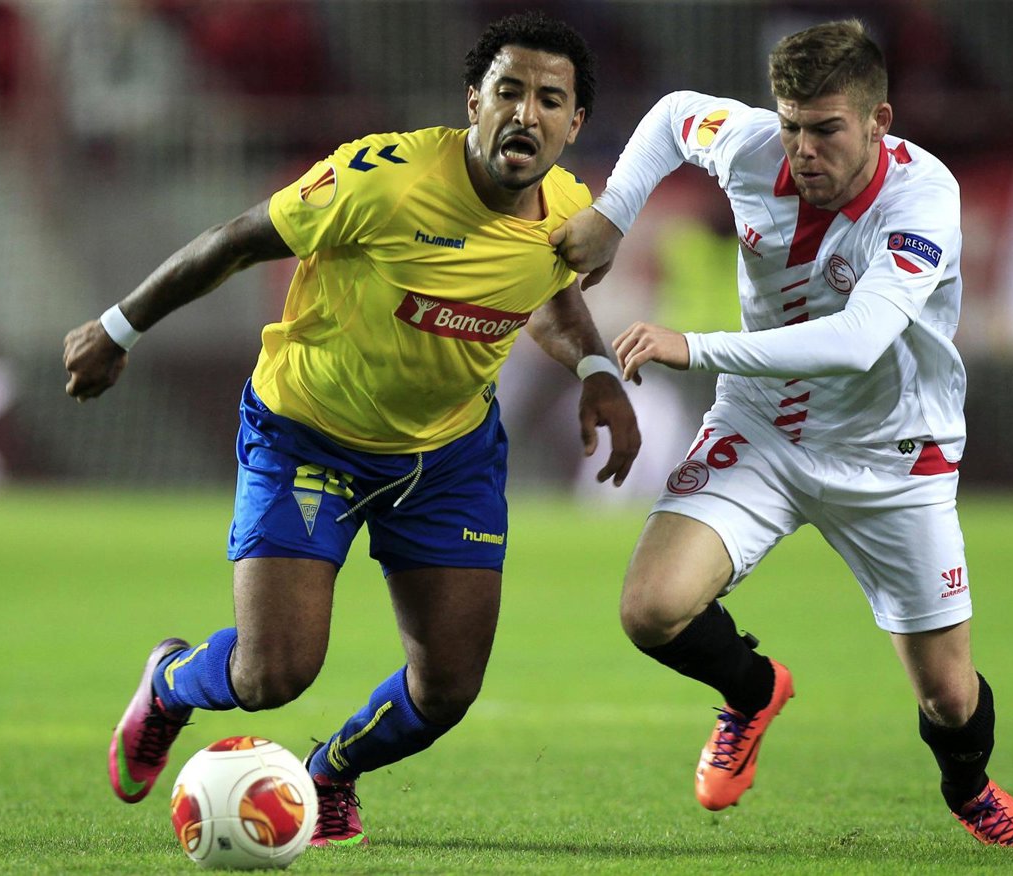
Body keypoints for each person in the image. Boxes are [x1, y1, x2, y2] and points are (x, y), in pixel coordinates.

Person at [63, 11, 639, 848]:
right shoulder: (383, 179)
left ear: (575, 122)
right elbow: (234, 242)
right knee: (272, 674)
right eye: (508, 92)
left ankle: (330, 772)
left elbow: (546, 293)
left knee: (447, 689)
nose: (527, 113)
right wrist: (117, 330)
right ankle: (170, 683)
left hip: (447, 456)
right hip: (310, 436)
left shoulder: (570, 209)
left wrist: (596, 371)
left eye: (550, 100)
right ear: (473, 102)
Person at [551, 19, 1013, 848]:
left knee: (948, 697)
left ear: (880, 121)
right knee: (651, 610)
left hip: (893, 455)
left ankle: (970, 791)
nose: (803, 150)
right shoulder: (752, 145)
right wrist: (612, 213)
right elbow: (674, 115)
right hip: (765, 428)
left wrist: (694, 345)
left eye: (826, 130)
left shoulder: (921, 199)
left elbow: (859, 341)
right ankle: (752, 691)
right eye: (791, 126)